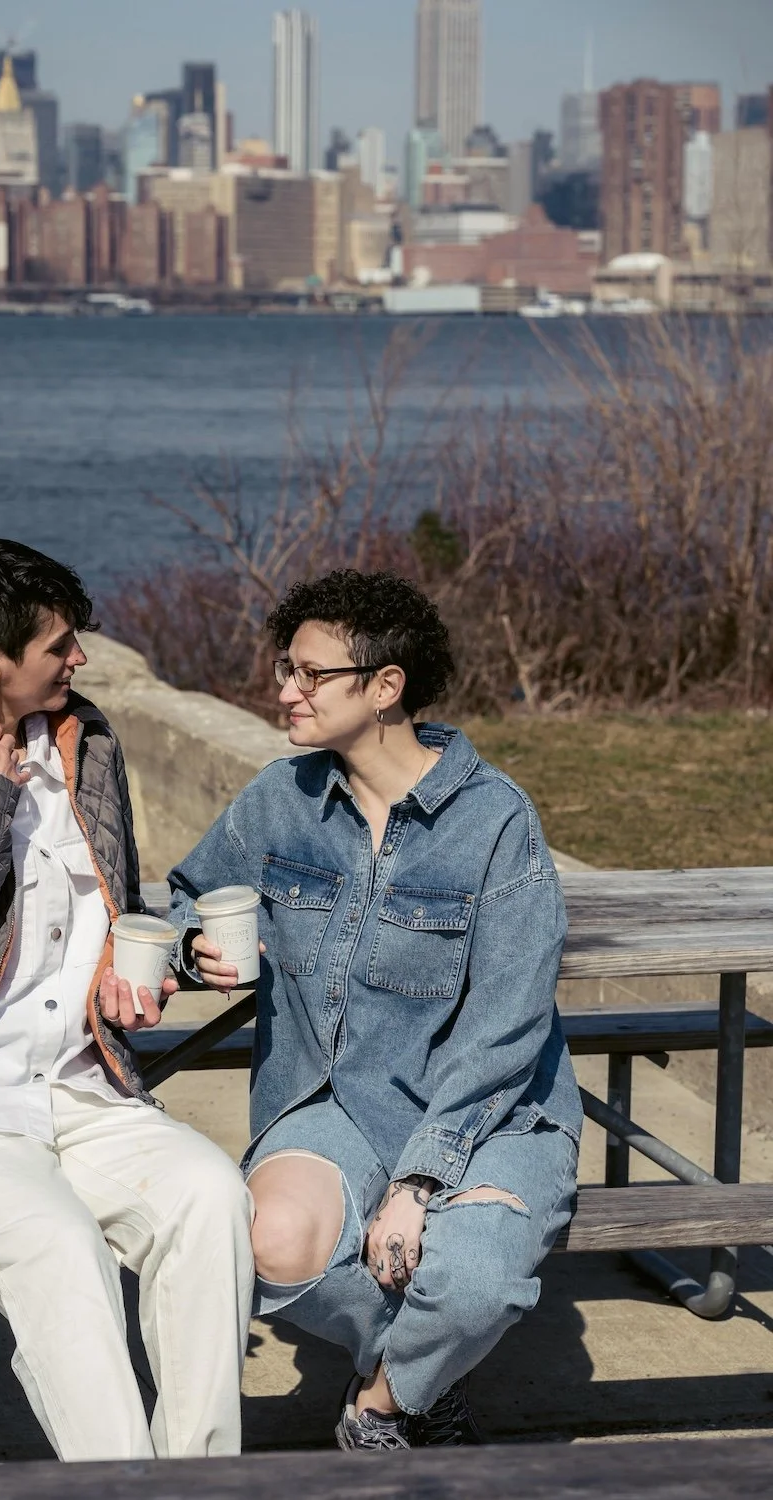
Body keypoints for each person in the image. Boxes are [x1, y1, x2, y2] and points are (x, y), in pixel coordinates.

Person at [0, 538, 253, 1462]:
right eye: (61, 646)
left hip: (80, 1090)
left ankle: (208, 1481)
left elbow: (115, 912)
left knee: (209, 1195)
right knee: (60, 1242)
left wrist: (166, 962)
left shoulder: (87, 742)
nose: (81, 660)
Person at [168, 569, 582, 1452]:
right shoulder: (281, 800)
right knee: (268, 1242)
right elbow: (191, 896)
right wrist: (185, 950)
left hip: (491, 1113)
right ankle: (429, 1377)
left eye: (311, 674)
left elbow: (506, 1029)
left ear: (386, 688)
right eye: (287, 667)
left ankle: (383, 1403)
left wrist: (419, 1180)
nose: (285, 689)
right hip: (330, 1099)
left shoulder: (496, 822)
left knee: (476, 1285)